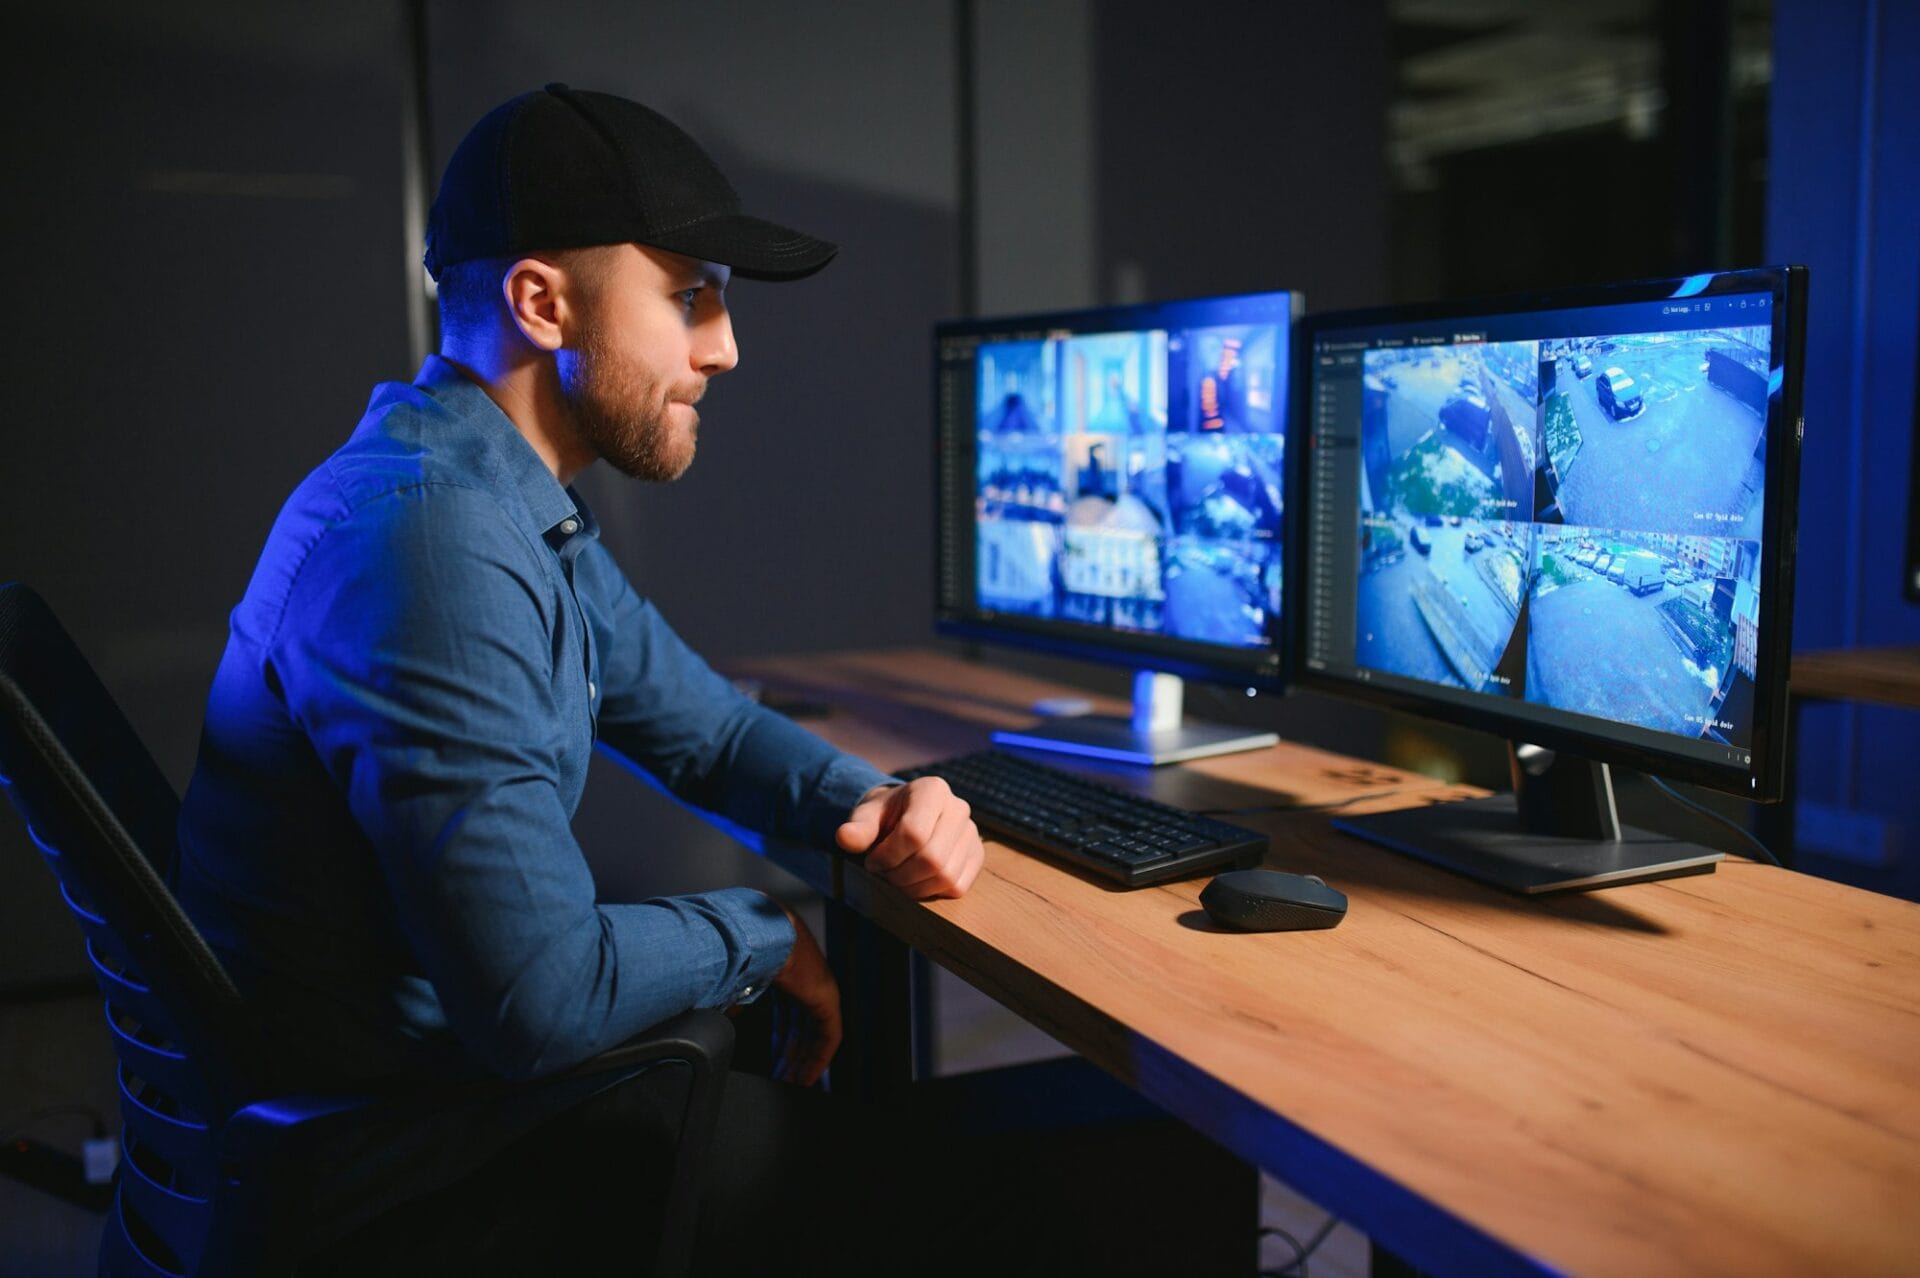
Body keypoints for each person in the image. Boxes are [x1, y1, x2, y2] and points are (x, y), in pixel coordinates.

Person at [174, 83, 990, 1271]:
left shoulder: (491, 491)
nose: (726, 346)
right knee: (936, 1197)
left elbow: (701, 727)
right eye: (689, 297)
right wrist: (766, 933)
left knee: (886, 1145)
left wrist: (868, 800)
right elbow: (539, 1002)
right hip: (413, 1163)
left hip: (415, 1093)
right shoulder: (432, 547)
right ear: (543, 303)